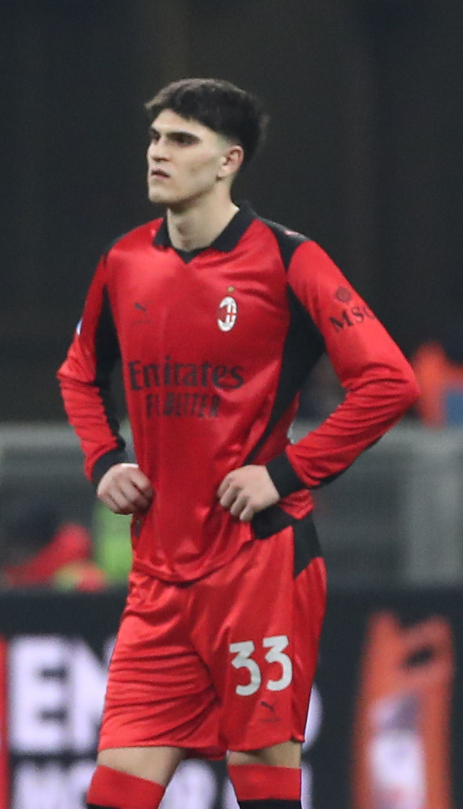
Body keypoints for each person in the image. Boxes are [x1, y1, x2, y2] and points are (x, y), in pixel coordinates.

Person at [58, 78, 420, 809]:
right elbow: (78, 372)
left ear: (228, 161)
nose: (159, 153)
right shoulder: (124, 261)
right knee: (114, 792)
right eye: (157, 137)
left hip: (258, 564)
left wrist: (285, 471)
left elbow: (389, 381)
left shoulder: (289, 261)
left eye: (182, 140)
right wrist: (104, 457)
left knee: (262, 783)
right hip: (159, 572)